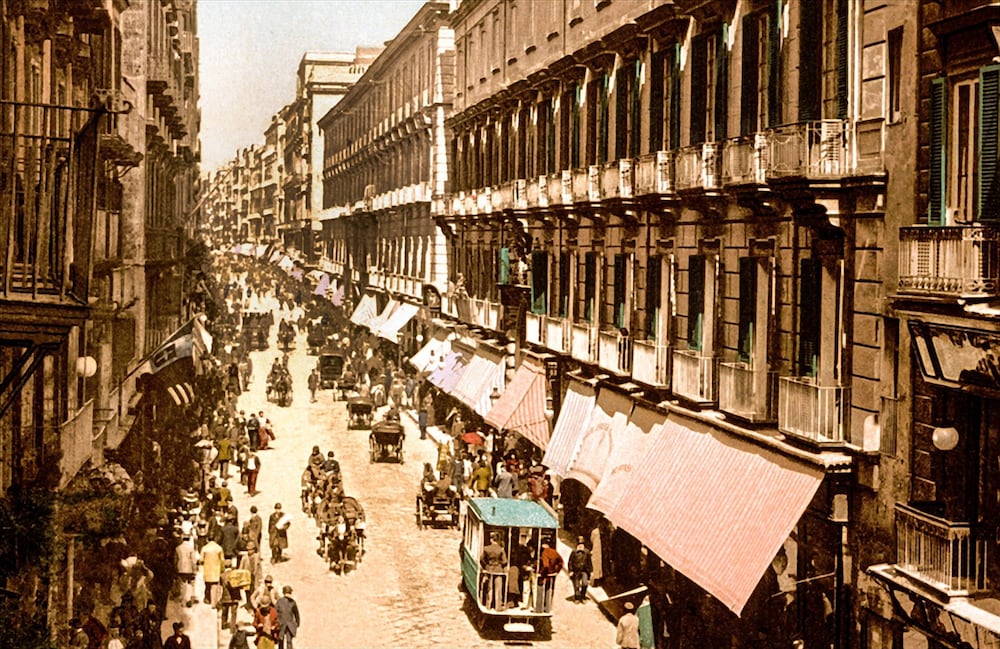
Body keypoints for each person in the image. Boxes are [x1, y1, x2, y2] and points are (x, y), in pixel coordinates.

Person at [480, 532, 507, 610]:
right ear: (498, 540)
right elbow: (505, 561)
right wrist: (500, 564)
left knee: (490, 588)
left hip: (489, 569)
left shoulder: (486, 548)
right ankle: (498, 606)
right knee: (498, 589)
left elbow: (481, 559)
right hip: (498, 570)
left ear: (491, 539)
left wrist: (486, 566)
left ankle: (488, 605)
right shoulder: (501, 549)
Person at [537, 541, 563, 613]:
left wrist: (543, 574)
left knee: (540, 589)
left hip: (545, 575)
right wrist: (556, 571)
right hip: (552, 575)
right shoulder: (554, 552)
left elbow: (546, 566)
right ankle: (547, 608)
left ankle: (539, 609)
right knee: (549, 590)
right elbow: (561, 562)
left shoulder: (544, 553)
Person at [568, 536, 594, 603]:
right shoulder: (574, 552)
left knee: (585, 583)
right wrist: (570, 571)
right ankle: (577, 598)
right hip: (576, 571)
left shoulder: (587, 552)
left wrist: (591, 571)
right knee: (576, 585)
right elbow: (570, 562)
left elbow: (589, 562)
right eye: (579, 545)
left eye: (582, 544)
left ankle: (583, 596)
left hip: (584, 571)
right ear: (577, 545)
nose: (580, 546)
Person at [175, 537, 198, 607]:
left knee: (182, 584)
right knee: (190, 584)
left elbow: (176, 559)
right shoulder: (191, 548)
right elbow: (193, 559)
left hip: (181, 567)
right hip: (189, 567)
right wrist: (195, 568)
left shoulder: (178, 548)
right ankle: (189, 599)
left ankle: (183, 600)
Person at [201, 537, 224, 605]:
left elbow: (201, 559)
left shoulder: (204, 548)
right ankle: (214, 602)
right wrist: (222, 569)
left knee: (207, 585)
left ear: (207, 539)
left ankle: (207, 599)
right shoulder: (219, 548)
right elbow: (222, 560)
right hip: (216, 570)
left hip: (207, 570)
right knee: (214, 586)